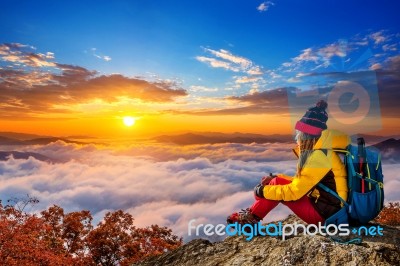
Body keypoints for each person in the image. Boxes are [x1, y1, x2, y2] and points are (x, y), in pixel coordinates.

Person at [227, 100, 350, 225]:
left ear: (307, 135)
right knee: (277, 182)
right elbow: (302, 183)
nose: (297, 137)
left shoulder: (319, 157)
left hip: (327, 215)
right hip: (327, 208)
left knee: (278, 190)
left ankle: (250, 219)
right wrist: (276, 178)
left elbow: (294, 192)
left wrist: (262, 191)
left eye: (299, 133)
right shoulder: (321, 152)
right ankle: (252, 216)